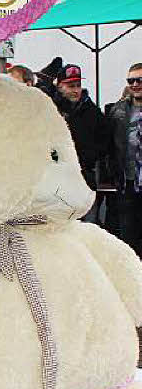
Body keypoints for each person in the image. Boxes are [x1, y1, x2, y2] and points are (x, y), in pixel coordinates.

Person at [50, 63, 112, 223]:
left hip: (85, 177)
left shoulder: (92, 111)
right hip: (57, 180)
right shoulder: (50, 109)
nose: (76, 89)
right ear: (60, 86)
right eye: (71, 85)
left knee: (89, 225)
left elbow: (106, 139)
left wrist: (90, 155)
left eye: (78, 85)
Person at [107, 62, 142, 256]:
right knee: (128, 241)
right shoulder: (118, 111)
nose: (135, 84)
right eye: (131, 80)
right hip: (127, 183)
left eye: (140, 80)